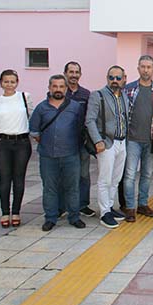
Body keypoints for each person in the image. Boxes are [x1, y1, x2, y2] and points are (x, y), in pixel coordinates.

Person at [29, 74, 85, 231]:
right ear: (49, 87)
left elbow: (81, 128)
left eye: (61, 86)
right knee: (49, 188)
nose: (58, 89)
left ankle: (74, 217)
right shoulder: (41, 108)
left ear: (66, 88)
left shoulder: (75, 107)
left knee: (73, 187)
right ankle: (50, 218)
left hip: (71, 155)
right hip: (48, 156)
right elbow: (34, 131)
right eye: (55, 86)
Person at [85, 66, 129, 229]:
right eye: (111, 77)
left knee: (116, 178)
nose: (114, 81)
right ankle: (104, 213)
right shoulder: (98, 95)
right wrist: (98, 141)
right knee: (105, 179)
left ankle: (110, 206)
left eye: (118, 78)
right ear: (107, 78)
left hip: (122, 142)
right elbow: (90, 120)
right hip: (106, 143)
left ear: (124, 79)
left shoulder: (123, 96)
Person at [0, 69, 32, 228]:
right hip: (2, 143)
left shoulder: (25, 97)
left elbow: (31, 116)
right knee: (5, 178)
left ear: (17, 82)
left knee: (19, 178)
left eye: (12, 81)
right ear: (1, 83)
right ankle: (5, 212)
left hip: (22, 142)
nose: (9, 84)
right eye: (6, 81)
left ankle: (16, 212)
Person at [122, 55, 153, 222]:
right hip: (132, 139)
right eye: (143, 67)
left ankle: (143, 204)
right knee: (130, 174)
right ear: (138, 68)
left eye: (149, 67)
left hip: (151, 139)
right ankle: (129, 207)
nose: (146, 70)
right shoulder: (128, 89)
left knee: (147, 174)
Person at [63, 61, 94, 217]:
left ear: (80, 74)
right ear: (65, 73)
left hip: (82, 141)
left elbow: (91, 117)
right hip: (63, 142)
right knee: (64, 175)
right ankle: (63, 206)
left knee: (83, 174)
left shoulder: (86, 94)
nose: (74, 75)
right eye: (71, 72)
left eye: (76, 72)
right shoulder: (60, 92)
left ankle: (83, 204)